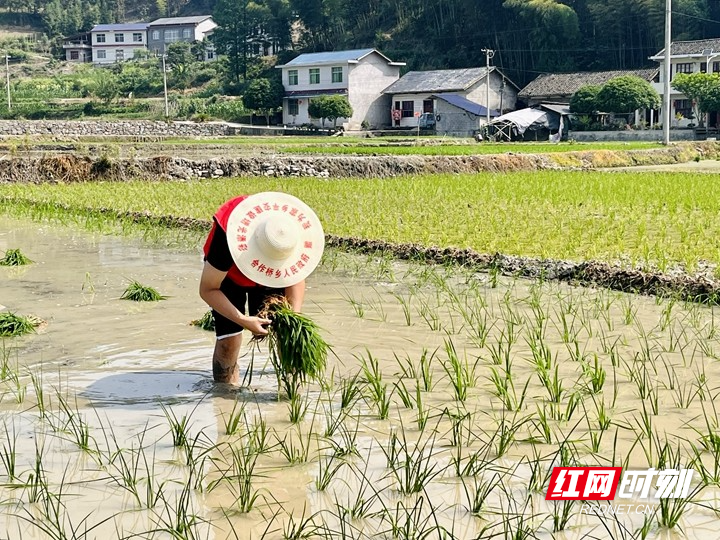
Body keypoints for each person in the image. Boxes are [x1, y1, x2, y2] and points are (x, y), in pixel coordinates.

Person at [199, 192, 324, 384]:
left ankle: (292, 395)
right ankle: (224, 399)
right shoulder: (227, 237)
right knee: (228, 341)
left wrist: (294, 318)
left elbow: (296, 278)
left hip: (271, 274)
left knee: (285, 333)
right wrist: (243, 320)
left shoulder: (291, 234)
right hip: (228, 276)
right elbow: (208, 289)